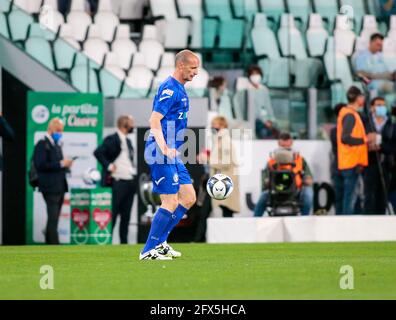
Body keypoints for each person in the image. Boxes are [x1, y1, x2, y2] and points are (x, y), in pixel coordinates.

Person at [140, 50, 199, 260]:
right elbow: (154, 120)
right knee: (170, 201)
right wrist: (164, 147)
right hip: (160, 151)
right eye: (193, 68)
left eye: (197, 68)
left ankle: (161, 242)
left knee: (189, 197)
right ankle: (148, 250)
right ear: (181, 66)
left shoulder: (180, 89)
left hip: (172, 153)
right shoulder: (169, 88)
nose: (196, 73)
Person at [94, 115, 137, 244]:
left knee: (126, 216)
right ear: (125, 124)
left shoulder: (128, 141)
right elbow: (98, 152)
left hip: (129, 181)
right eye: (131, 123)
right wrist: (108, 165)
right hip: (117, 182)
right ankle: (107, 241)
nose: (132, 126)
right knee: (113, 214)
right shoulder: (112, 139)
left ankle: (124, 242)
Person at [254, 132, 314, 216]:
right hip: (276, 191)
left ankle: (303, 220)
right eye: (283, 148)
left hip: (296, 191)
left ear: (291, 143)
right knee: (263, 197)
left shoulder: (300, 160)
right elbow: (264, 182)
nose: (285, 152)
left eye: (288, 149)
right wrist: (267, 182)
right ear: (279, 144)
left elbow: (309, 177)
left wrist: (307, 180)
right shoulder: (271, 162)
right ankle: (255, 221)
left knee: (308, 195)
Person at [33, 118, 73, 244]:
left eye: (62, 131)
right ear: (51, 129)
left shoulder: (56, 145)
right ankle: (54, 246)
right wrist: (61, 164)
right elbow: (40, 164)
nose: (60, 133)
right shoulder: (42, 144)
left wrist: (66, 165)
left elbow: (56, 165)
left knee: (53, 219)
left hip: (59, 186)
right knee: (53, 218)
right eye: (58, 130)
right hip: (50, 187)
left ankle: (50, 244)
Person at [337, 86, 374, 215]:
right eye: (362, 96)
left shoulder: (349, 114)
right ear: (358, 98)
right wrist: (365, 140)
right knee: (350, 198)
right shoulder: (350, 115)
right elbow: (345, 138)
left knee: (353, 197)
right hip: (351, 162)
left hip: (352, 162)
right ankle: (347, 225)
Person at [362, 97, 396, 214]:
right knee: (368, 195)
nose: (381, 107)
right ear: (372, 108)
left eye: (383, 105)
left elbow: (393, 146)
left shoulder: (391, 125)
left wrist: (380, 144)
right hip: (369, 164)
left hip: (386, 165)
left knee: (382, 197)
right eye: (378, 105)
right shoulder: (365, 123)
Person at [330, 103, 347, 215]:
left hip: (340, 167)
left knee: (343, 196)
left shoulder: (334, 130)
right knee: (341, 196)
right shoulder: (336, 131)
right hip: (343, 166)